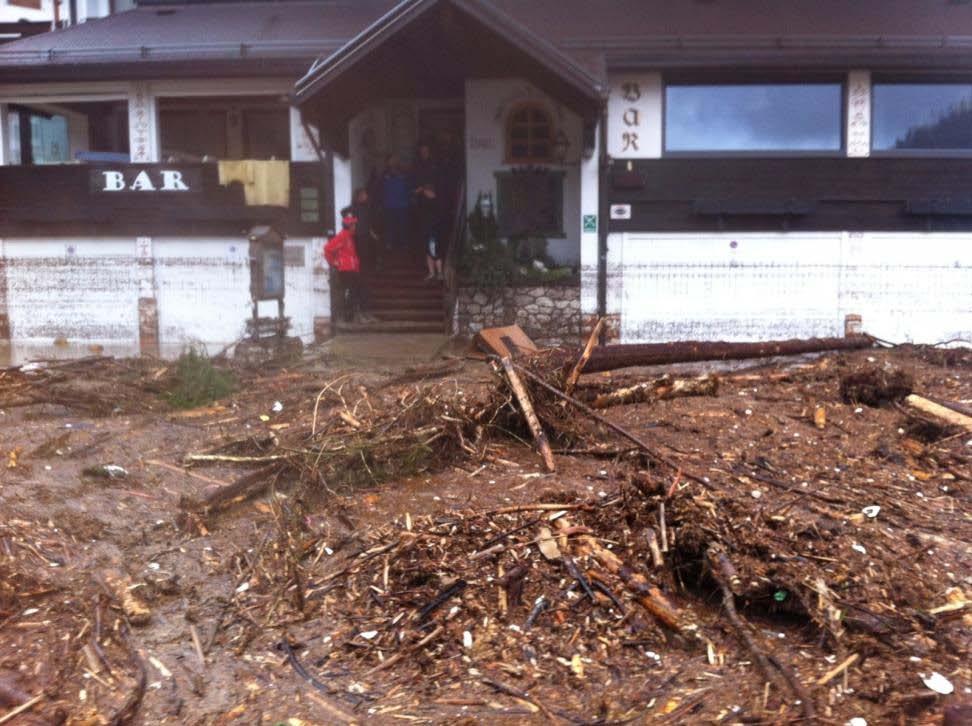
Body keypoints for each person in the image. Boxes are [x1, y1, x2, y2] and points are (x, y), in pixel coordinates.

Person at [324, 209, 376, 323]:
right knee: (354, 292)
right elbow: (327, 249)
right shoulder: (342, 236)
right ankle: (355, 316)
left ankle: (357, 315)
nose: (355, 226)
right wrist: (334, 262)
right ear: (349, 225)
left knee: (357, 291)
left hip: (351, 269)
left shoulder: (349, 236)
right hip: (346, 270)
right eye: (353, 224)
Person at [412, 143, 443, 281]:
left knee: (435, 251)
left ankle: (440, 273)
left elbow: (438, 216)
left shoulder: (437, 201)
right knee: (428, 251)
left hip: (434, 230)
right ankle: (431, 273)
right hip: (426, 229)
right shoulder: (423, 201)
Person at [380, 154, 409, 252]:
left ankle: (404, 244)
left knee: (403, 225)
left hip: (402, 204)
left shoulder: (403, 172)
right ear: (388, 162)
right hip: (389, 205)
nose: (393, 162)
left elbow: (408, 186)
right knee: (389, 226)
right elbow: (380, 189)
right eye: (391, 160)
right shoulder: (384, 174)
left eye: (395, 159)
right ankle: (389, 243)